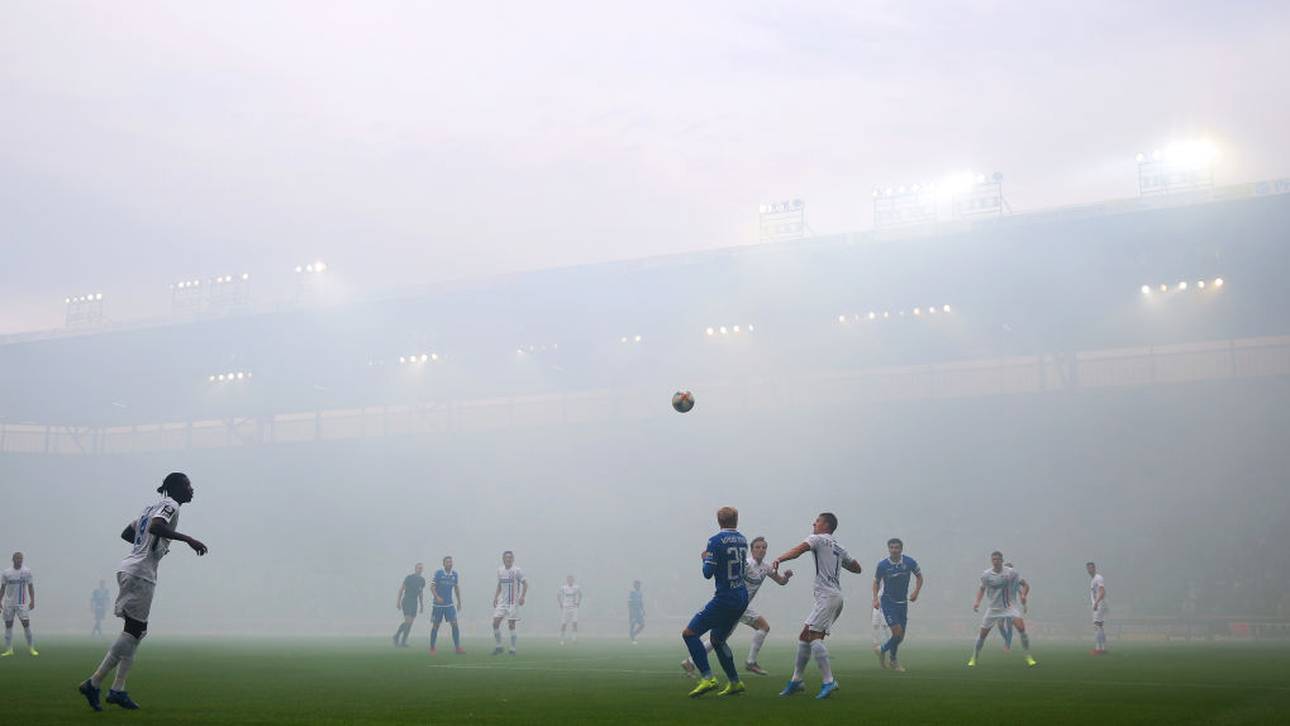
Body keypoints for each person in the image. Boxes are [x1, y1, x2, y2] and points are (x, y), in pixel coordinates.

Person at [78, 472, 208, 711]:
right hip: (140, 572)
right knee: (134, 632)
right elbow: (158, 527)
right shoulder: (170, 505)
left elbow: (127, 533)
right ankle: (96, 683)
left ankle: (116, 689)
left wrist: (145, 547)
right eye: (188, 485)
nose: (192, 489)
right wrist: (188, 539)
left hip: (133, 567)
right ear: (177, 487)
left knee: (136, 633)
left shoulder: (150, 507)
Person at [771, 512, 861, 700]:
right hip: (833, 596)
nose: (814, 523)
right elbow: (857, 568)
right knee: (805, 636)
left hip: (828, 597)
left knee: (814, 637)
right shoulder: (838, 546)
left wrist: (779, 558)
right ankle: (796, 681)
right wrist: (838, 561)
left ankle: (829, 681)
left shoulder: (817, 539)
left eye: (818, 521)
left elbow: (799, 550)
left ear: (826, 526)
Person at [682, 535, 792, 676]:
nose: (761, 550)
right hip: (737, 603)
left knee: (719, 639)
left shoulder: (766, 567)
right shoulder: (745, 564)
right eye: (758, 547)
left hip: (740, 606)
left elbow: (781, 581)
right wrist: (708, 560)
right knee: (763, 627)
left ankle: (690, 662)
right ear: (751, 550)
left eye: (764, 547)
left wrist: (787, 577)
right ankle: (750, 663)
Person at [681, 506, 749, 698]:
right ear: (737, 520)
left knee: (689, 633)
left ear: (719, 521)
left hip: (725, 597)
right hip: (741, 595)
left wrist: (704, 559)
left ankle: (707, 677)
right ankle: (735, 682)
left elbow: (707, 573)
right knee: (717, 640)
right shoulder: (743, 540)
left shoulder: (714, 541)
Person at [970, 551, 1036, 667]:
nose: (995, 561)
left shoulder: (1012, 573)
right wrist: (977, 602)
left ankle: (1028, 656)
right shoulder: (986, 575)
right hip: (993, 608)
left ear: (1002, 560)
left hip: (1009, 606)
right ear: (991, 561)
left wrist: (1023, 595)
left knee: (1021, 628)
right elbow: (982, 589)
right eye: (993, 559)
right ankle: (974, 657)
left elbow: (1025, 585)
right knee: (982, 635)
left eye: (998, 559)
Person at [873, 538, 923, 672]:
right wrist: (875, 599)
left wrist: (916, 592)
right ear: (888, 549)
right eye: (892, 548)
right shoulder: (883, 565)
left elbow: (919, 576)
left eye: (897, 548)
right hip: (888, 602)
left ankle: (892, 659)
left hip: (903, 603)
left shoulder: (909, 562)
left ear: (901, 549)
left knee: (900, 637)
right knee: (897, 632)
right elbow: (876, 582)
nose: (894, 550)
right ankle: (882, 650)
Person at [1, 552, 36, 657]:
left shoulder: (27, 571)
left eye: (21, 558)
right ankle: (9, 650)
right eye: (17, 558)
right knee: (8, 626)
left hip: (22, 603)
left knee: (26, 624)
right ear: (13, 559)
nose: (19, 560)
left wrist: (32, 600)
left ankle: (31, 648)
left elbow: (30, 587)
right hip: (9, 603)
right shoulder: (6, 573)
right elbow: (2, 588)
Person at [491, 551, 527, 655]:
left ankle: (512, 649)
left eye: (510, 557)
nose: (508, 559)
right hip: (502, 602)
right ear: (503, 559)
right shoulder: (500, 570)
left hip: (513, 602)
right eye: (507, 557)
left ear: (513, 559)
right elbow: (499, 584)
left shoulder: (517, 571)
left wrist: (523, 596)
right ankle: (498, 647)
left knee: (511, 625)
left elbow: (525, 584)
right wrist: (495, 597)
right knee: (495, 623)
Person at [430, 556, 464, 654]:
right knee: (436, 625)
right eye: (447, 562)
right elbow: (432, 587)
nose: (450, 563)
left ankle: (457, 647)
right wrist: (437, 597)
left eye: (451, 562)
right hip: (438, 605)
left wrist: (459, 602)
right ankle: (432, 648)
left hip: (449, 605)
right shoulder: (439, 573)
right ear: (444, 564)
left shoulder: (454, 574)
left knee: (454, 624)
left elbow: (456, 588)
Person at [393, 563, 426, 648]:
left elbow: (420, 593)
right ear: (415, 569)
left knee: (410, 623)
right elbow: (401, 589)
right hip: (407, 600)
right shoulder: (409, 578)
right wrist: (398, 601)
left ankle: (403, 641)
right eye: (419, 568)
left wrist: (422, 605)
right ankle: (397, 636)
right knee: (407, 621)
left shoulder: (422, 580)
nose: (420, 569)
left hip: (414, 602)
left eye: (421, 568)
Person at [997, 561, 1027, 652]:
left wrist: (1024, 605)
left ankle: (1007, 646)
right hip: (1001, 606)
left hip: (1011, 607)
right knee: (1000, 625)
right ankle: (1007, 641)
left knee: (1009, 626)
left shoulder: (1015, 581)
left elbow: (1021, 593)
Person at [1088, 561, 1108, 654]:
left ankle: (1097, 648)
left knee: (1096, 625)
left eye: (1091, 568)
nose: (1090, 570)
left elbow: (1102, 591)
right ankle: (1102, 648)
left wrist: (1096, 602)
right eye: (1088, 568)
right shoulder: (1092, 580)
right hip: (1098, 604)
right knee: (1100, 626)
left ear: (1095, 568)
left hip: (1099, 604)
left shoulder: (1098, 578)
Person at [558, 575, 583, 645]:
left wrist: (578, 603)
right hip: (565, 607)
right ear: (567, 580)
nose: (570, 581)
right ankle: (562, 640)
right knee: (564, 624)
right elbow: (558, 595)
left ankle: (574, 639)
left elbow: (580, 595)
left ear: (573, 580)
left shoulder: (576, 587)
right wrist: (561, 604)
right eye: (569, 579)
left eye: (571, 579)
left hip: (574, 607)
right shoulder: (563, 587)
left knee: (574, 623)